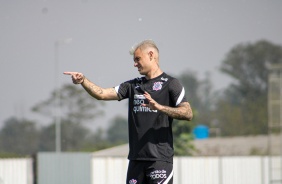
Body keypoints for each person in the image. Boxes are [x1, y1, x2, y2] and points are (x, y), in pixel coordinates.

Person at [64, 39, 193, 184]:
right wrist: (83, 81)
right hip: (136, 160)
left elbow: (187, 113)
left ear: (151, 55)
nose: (135, 64)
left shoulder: (171, 84)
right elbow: (102, 94)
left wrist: (160, 107)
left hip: (160, 160)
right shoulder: (133, 85)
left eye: (138, 59)